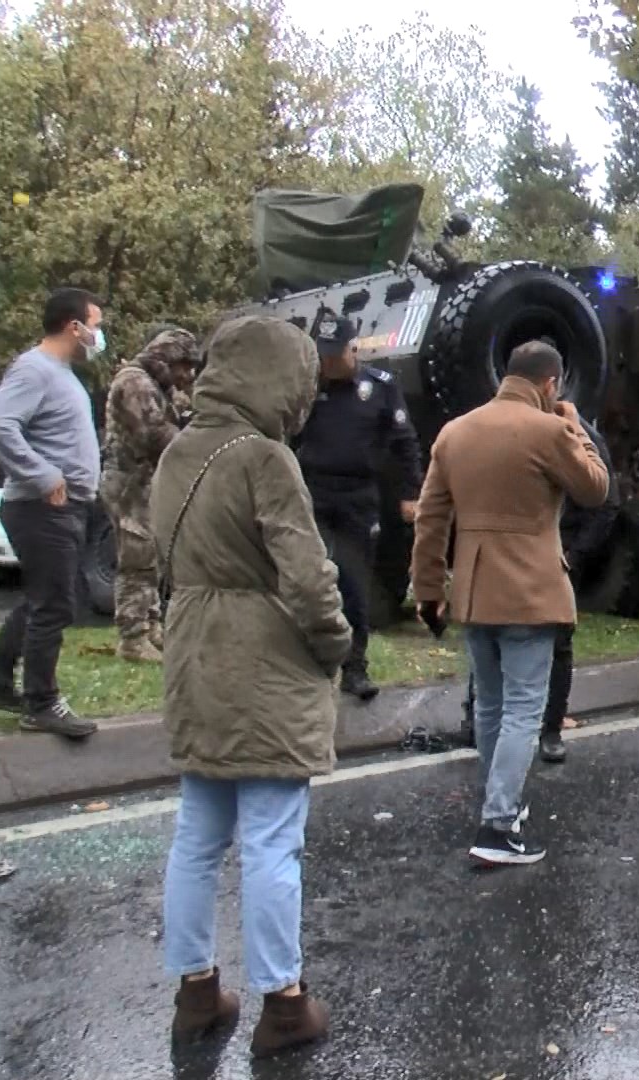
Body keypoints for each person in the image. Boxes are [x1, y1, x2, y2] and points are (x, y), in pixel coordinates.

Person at [152, 315, 351, 1057]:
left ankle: (196, 991)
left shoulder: (178, 449)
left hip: (192, 646)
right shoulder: (265, 458)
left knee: (198, 836)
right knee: (272, 840)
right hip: (262, 661)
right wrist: (334, 642)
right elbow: (305, 575)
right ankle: (285, 1003)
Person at [410, 342, 610, 867]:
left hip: (475, 589)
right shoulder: (549, 430)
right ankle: (498, 827)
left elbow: (430, 519)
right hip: (531, 588)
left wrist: (429, 590)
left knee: (493, 707)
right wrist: (576, 428)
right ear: (551, 384)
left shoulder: (455, 432)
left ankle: (500, 805)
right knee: (525, 708)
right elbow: (595, 487)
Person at [0, 287, 106, 738]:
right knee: (55, 605)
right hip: (42, 507)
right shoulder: (35, 369)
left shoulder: (59, 372)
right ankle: (41, 703)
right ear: (74, 327)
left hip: (62, 507)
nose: (98, 335)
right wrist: (43, 475)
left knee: (43, 599)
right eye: (96, 325)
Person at [458, 408, 614, 764]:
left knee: (556, 645)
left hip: (557, 554)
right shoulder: (496, 430)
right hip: (502, 553)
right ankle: (476, 719)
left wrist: (573, 555)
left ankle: (551, 729)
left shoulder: (576, 432)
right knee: (488, 635)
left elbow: (605, 500)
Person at [292, 309, 421, 702]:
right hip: (311, 492)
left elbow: (404, 443)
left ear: (353, 350)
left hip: (357, 497)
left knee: (352, 582)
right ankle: (306, 665)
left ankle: (355, 667)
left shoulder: (379, 387)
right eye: (324, 355)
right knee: (307, 579)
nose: (330, 362)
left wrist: (410, 493)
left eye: (337, 354)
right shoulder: (306, 387)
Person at [100, 326, 200, 662]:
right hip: (129, 482)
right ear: (164, 359)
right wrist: (193, 445)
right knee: (136, 560)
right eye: (182, 365)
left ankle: (152, 625)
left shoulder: (159, 386)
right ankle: (132, 636)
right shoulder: (135, 383)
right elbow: (156, 435)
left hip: (146, 481)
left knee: (152, 557)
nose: (186, 374)